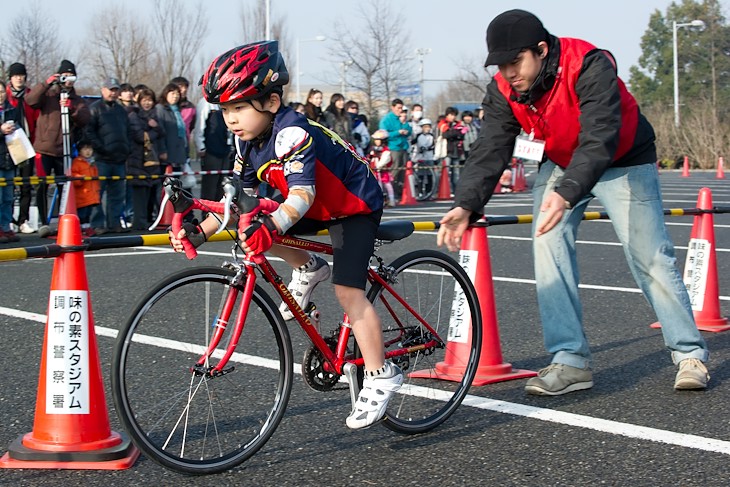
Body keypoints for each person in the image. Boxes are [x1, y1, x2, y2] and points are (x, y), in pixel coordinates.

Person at [437, 9, 710, 395]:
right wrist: (465, 203)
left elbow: (601, 135)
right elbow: (491, 147)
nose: (508, 72)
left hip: (622, 158)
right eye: (501, 64)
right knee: (547, 248)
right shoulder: (502, 88)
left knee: (649, 256)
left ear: (542, 49)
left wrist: (565, 195)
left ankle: (689, 354)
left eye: (515, 62)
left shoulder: (588, 64)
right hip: (563, 160)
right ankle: (570, 362)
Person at [169, 41, 403, 428]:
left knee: (348, 292)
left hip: (353, 204)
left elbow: (301, 194)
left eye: (239, 107)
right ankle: (309, 267)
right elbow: (240, 200)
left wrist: (271, 225)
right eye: (225, 110)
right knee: (252, 224)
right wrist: (200, 233)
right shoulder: (247, 141)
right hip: (314, 205)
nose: (231, 119)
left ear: (272, 102)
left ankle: (382, 374)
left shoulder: (291, 132)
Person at [26, 59, 90, 229]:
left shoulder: (77, 100)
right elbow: (30, 100)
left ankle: (65, 221)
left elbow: (85, 119)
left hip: (65, 151)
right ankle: (43, 222)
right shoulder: (48, 95)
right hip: (44, 149)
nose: (68, 79)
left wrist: (71, 109)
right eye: (65, 75)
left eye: (72, 76)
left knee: (65, 187)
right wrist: (46, 83)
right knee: (42, 185)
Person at [85, 77, 132, 234]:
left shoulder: (121, 111)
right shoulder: (94, 109)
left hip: (119, 159)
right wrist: (101, 148)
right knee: (97, 194)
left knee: (117, 194)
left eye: (115, 90)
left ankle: (114, 223)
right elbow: (89, 132)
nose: (113, 93)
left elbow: (128, 132)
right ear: (103, 90)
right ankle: (97, 224)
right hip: (101, 159)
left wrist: (127, 149)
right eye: (110, 89)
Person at [6, 62, 39, 234]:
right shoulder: (5, 94)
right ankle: (8, 220)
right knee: (9, 184)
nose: (19, 78)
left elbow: (36, 119)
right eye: (15, 75)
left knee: (26, 184)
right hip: (8, 146)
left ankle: (23, 220)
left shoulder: (30, 96)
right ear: (10, 78)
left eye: (21, 75)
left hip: (26, 144)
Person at [127, 87, 165, 230]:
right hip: (137, 158)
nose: (147, 103)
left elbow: (163, 132)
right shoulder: (134, 115)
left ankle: (146, 220)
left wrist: (155, 128)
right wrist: (154, 129)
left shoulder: (155, 116)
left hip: (152, 159)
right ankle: (139, 222)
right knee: (139, 192)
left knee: (149, 190)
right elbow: (140, 136)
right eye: (144, 100)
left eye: (149, 100)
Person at [193, 97, 232, 202]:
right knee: (210, 186)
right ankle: (206, 214)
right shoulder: (205, 103)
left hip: (226, 150)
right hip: (211, 150)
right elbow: (199, 126)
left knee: (223, 186)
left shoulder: (225, 102)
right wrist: (200, 146)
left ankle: (220, 214)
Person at [0, 81, 21, 243]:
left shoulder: (12, 110)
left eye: (2, 92)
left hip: (9, 158)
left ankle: (6, 226)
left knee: (8, 196)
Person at [155, 83, 188, 172]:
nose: (175, 96)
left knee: (176, 181)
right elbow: (159, 131)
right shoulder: (160, 109)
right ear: (166, 94)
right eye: (172, 93)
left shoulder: (177, 110)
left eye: (177, 94)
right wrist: (162, 151)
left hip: (178, 153)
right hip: (167, 153)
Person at [70, 139, 100, 236]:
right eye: (85, 149)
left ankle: (86, 228)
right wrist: (80, 178)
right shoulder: (77, 162)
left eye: (90, 149)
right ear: (79, 151)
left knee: (88, 214)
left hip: (91, 194)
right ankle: (83, 229)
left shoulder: (92, 163)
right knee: (82, 214)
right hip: (82, 194)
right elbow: (73, 176)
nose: (88, 152)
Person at [378, 98, 411, 185]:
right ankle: (391, 191)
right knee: (395, 169)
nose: (400, 110)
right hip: (393, 147)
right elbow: (383, 134)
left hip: (404, 147)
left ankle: (401, 191)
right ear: (393, 107)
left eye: (401, 108)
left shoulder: (402, 118)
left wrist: (405, 126)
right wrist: (397, 132)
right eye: (398, 108)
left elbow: (409, 131)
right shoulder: (386, 119)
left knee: (404, 170)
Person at [369, 129, 395, 208]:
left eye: (378, 140)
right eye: (376, 140)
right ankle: (379, 201)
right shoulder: (374, 149)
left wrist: (378, 166)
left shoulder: (386, 150)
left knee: (387, 185)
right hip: (375, 171)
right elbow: (371, 157)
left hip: (383, 171)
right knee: (377, 186)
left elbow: (385, 159)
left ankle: (391, 200)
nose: (376, 141)